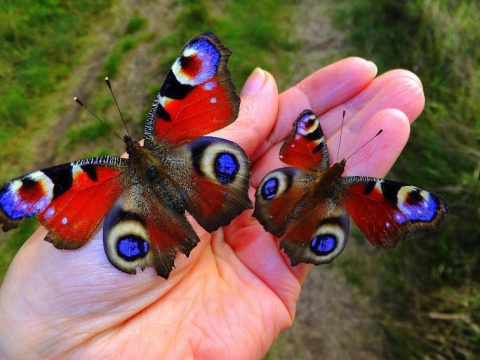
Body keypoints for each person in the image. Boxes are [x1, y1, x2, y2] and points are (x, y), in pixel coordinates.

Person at [0, 57, 424, 359]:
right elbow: (194, 66)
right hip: (192, 173)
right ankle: (200, 216)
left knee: (135, 220)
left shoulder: (97, 175)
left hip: (141, 205)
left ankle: (176, 230)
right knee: (216, 163)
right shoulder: (162, 129)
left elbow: (199, 59)